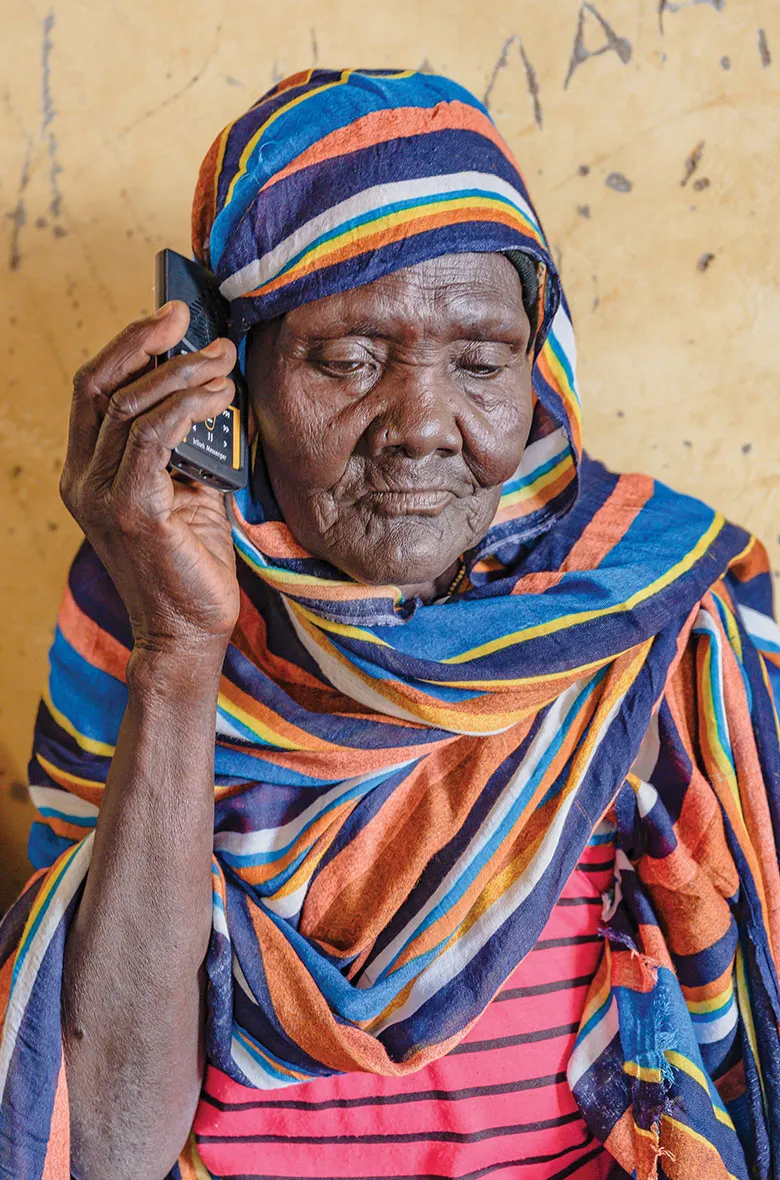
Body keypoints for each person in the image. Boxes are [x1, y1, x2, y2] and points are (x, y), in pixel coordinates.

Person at [0, 67, 779, 1180]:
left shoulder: (649, 618)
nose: (421, 426)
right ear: (231, 372)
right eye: (348, 358)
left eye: (479, 359)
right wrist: (179, 653)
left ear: (539, 361)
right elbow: (109, 1148)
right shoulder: (147, 591)